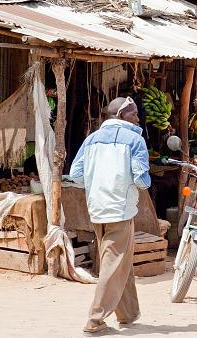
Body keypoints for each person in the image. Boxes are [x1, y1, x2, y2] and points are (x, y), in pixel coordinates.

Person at [69, 96, 151, 334]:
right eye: (134, 114)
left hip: (97, 209)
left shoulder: (91, 139)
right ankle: (95, 321)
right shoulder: (135, 140)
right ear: (120, 115)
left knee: (120, 261)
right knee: (113, 264)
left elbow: (75, 174)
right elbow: (140, 179)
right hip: (120, 210)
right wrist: (141, 182)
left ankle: (128, 314)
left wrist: (98, 182)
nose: (137, 118)